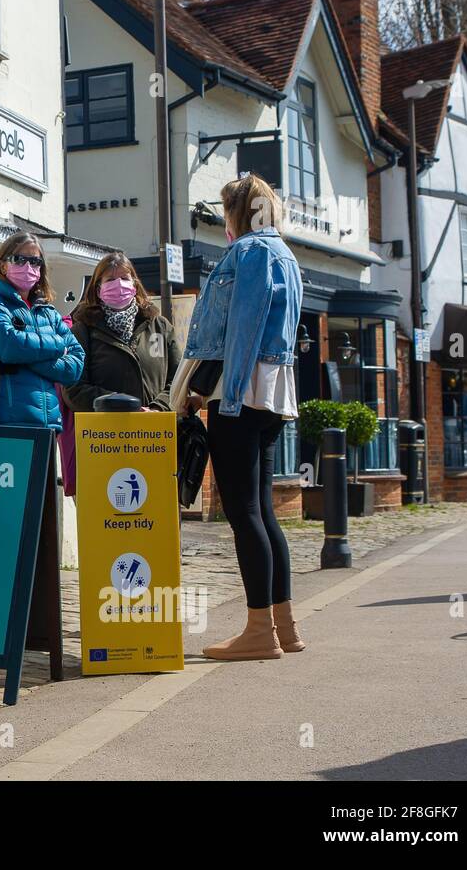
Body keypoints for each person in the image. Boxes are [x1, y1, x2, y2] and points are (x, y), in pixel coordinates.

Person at [174, 173, 305, 660]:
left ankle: (257, 632)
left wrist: (215, 394)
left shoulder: (249, 253)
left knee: (242, 512)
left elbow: (240, 329)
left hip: (242, 392)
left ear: (237, 212)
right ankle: (283, 627)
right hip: (272, 392)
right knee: (264, 512)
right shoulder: (286, 255)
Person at [0, 233, 85, 429]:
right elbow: (8, 345)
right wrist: (58, 345)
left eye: (35, 261)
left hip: (49, 425)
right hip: (8, 423)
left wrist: (23, 359)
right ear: (2, 265)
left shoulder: (48, 313)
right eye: (19, 259)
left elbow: (76, 365)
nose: (28, 267)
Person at [63, 251, 179, 413]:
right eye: (110, 280)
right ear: (98, 290)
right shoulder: (83, 331)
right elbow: (74, 389)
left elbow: (178, 381)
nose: (118, 285)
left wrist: (157, 408)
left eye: (125, 278)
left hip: (155, 429)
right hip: (106, 432)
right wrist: (122, 406)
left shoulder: (160, 327)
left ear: (134, 286)